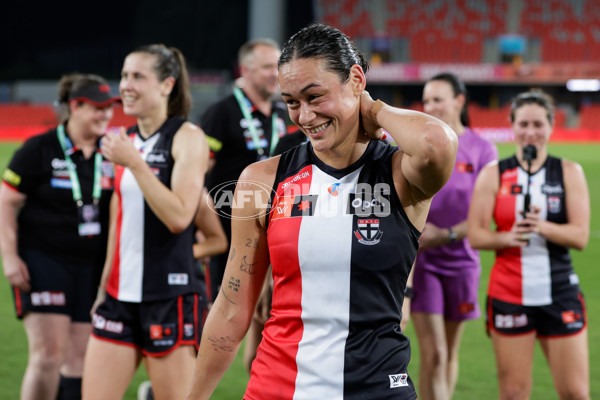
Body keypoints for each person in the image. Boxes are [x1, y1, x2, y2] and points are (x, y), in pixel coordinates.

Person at [186, 23, 458, 400]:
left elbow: (436, 143)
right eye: (292, 102)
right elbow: (232, 309)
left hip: (376, 389)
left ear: (356, 79)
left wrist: (374, 110)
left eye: (315, 96)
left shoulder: (400, 174)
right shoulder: (262, 179)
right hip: (277, 388)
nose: (305, 116)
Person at [81, 44, 209, 400]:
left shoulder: (188, 138)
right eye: (124, 75)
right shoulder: (127, 141)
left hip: (168, 296)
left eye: (138, 76)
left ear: (167, 85)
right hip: (118, 298)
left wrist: (134, 164)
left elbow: (180, 217)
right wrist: (105, 283)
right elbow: (119, 217)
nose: (126, 85)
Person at [0, 73, 119, 400]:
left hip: (92, 267)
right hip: (43, 260)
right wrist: (10, 257)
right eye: (97, 108)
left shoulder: (112, 152)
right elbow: (6, 201)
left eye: (109, 108)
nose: (105, 115)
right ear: (74, 107)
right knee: (48, 355)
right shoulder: (40, 148)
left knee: (79, 358)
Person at [467, 89, 590, 400]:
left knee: (575, 393)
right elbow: (476, 235)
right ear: (512, 125)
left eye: (538, 124)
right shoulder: (494, 173)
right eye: (523, 124)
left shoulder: (568, 172)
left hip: (560, 291)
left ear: (550, 126)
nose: (531, 132)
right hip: (509, 293)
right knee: (513, 394)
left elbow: (580, 237)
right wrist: (507, 237)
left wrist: (541, 226)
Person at [409, 73, 498, 400]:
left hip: (462, 261)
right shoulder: (417, 146)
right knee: (434, 354)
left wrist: (446, 234)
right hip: (422, 262)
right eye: (426, 100)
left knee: (449, 354)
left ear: (459, 101)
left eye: (438, 99)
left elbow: (485, 214)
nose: (430, 106)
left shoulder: (483, 150)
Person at [201, 38, 289, 303]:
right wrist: (201, 225)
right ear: (245, 71)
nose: (275, 73)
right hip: (231, 229)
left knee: (273, 307)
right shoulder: (221, 113)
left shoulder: (283, 114)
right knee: (229, 305)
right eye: (267, 67)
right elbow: (199, 172)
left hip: (277, 224)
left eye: (278, 66)